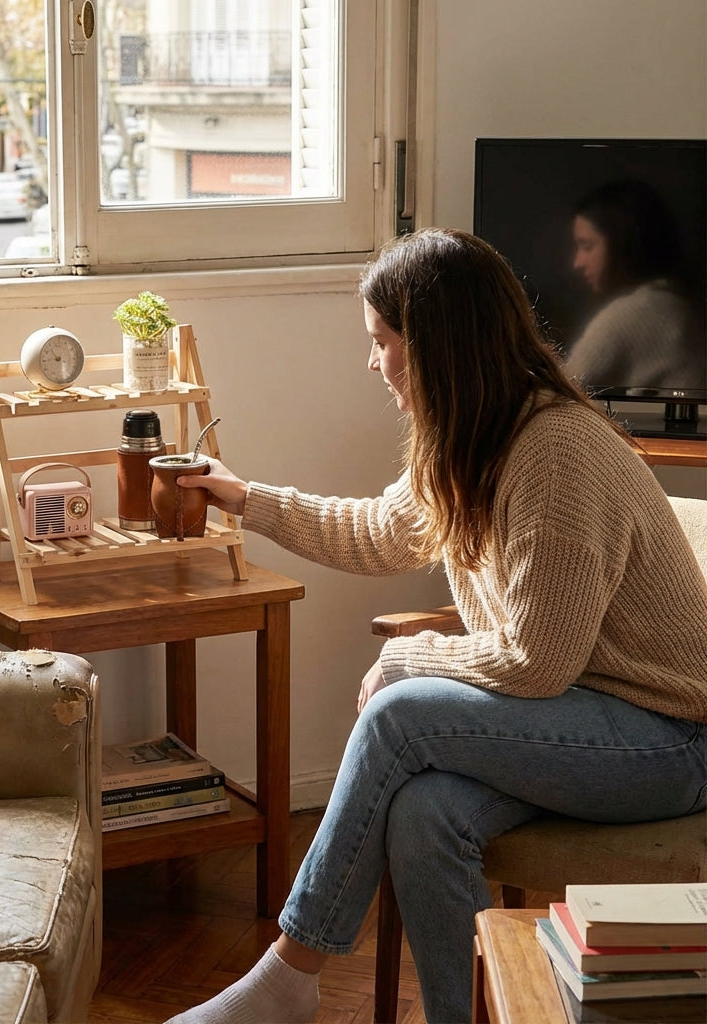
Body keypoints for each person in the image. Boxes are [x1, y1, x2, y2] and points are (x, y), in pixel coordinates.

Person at [166, 228, 707, 1024]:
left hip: (669, 741)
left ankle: (290, 974)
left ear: (436, 347)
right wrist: (244, 498)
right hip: (568, 723)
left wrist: (407, 661)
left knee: (398, 711)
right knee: (424, 817)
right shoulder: (471, 438)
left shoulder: (555, 451)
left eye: (382, 341)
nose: (373, 362)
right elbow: (374, 531)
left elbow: (535, 664)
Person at [566, 178, 704, 390]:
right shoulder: (673, 302)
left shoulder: (633, 312)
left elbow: (557, 391)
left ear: (622, 244)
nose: (577, 263)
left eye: (587, 246)